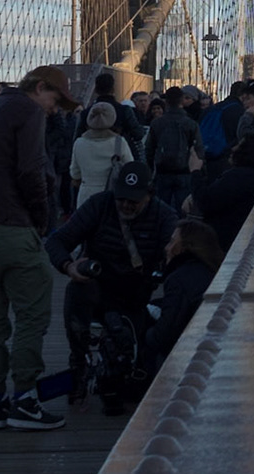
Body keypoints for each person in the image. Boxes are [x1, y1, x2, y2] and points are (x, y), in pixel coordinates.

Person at [0, 63, 78, 431]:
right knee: (32, 314)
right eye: (55, 100)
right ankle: (25, 400)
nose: (54, 110)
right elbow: (31, 169)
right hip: (10, 225)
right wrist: (43, 219)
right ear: (40, 87)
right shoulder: (27, 110)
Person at [44, 161, 176, 414]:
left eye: (134, 200)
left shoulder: (164, 217)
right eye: (122, 199)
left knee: (130, 377)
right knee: (76, 291)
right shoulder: (100, 204)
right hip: (96, 288)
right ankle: (78, 360)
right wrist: (69, 266)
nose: (126, 205)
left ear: (150, 194)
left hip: (134, 296)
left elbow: (176, 259)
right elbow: (58, 240)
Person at [143, 218, 222, 370]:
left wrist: (147, 333)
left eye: (172, 242)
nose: (167, 248)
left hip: (185, 360)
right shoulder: (211, 271)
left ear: (185, 248)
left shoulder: (179, 280)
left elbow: (163, 337)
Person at [187, 133, 254, 251]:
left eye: (239, 146)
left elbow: (206, 201)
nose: (233, 148)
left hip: (224, 240)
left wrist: (195, 171)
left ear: (247, 152)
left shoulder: (239, 177)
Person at [144, 85, 202, 213]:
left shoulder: (157, 123)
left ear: (166, 102)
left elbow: (149, 149)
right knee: (182, 210)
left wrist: (151, 169)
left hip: (162, 172)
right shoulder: (191, 124)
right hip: (184, 172)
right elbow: (198, 150)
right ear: (181, 101)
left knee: (160, 210)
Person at [69, 102, 132, 200]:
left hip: (86, 193)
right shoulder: (119, 142)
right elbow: (130, 167)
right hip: (112, 193)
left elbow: (75, 174)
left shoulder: (79, 143)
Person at [201, 81, 245, 181]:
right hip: (228, 158)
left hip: (208, 157)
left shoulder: (213, 108)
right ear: (243, 95)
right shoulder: (240, 111)